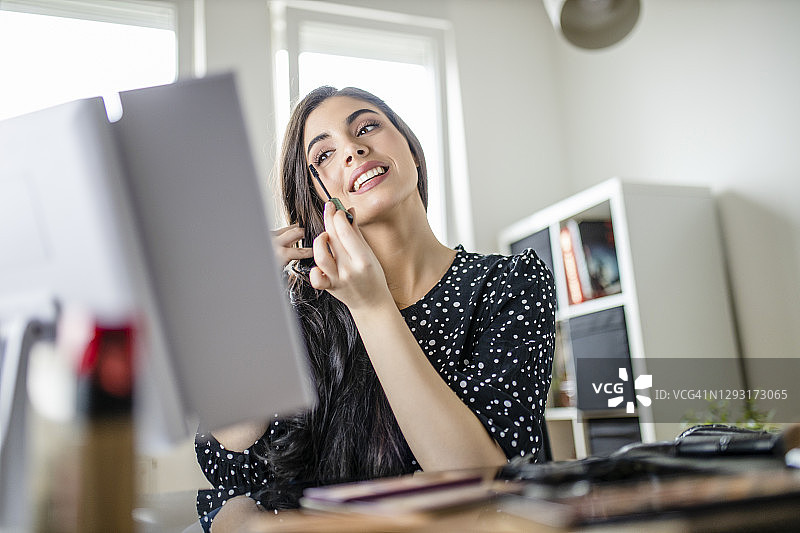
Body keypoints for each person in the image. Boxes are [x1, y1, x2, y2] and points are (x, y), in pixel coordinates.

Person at [194, 86, 556, 532]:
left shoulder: (510, 282)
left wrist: (372, 305)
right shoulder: (301, 313)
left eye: (367, 127)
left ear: (412, 151)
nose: (352, 149)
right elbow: (229, 468)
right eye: (324, 155)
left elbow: (483, 483)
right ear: (319, 200)